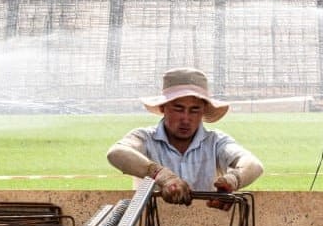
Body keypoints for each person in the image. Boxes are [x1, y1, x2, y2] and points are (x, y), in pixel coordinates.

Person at [107, 67, 263, 206]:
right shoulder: (145, 138)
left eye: (194, 110)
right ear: (163, 107)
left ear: (203, 110)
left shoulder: (216, 142)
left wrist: (232, 180)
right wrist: (163, 176)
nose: (186, 119)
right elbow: (116, 153)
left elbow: (253, 164)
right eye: (178, 109)